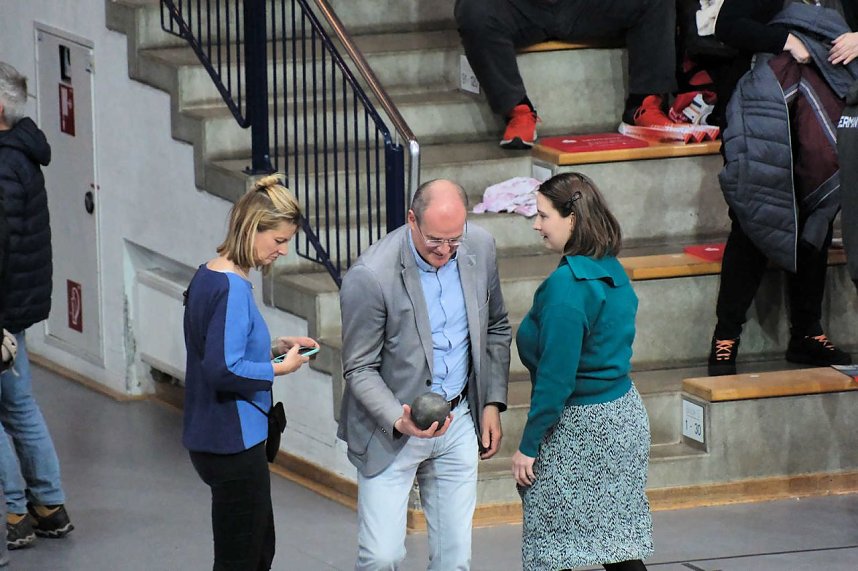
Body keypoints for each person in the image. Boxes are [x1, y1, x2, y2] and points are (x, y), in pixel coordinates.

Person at [337, 179, 511, 570]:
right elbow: (359, 367)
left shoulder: (480, 247)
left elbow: (497, 327)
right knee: (381, 557)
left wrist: (491, 403)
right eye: (435, 240)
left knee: (455, 558)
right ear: (411, 220)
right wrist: (398, 418)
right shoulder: (371, 275)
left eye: (454, 239)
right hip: (391, 428)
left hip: (459, 418)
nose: (445, 250)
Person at [512, 172, 653, 571]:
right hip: (623, 417)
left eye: (543, 216)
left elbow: (556, 380)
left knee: (551, 551)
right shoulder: (610, 267)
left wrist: (528, 446)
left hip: (581, 428)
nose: (537, 225)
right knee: (616, 544)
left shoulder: (568, 287)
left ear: (571, 218)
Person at [707, 0, 856, 375]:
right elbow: (728, 25)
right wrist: (787, 40)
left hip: (827, 113)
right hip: (762, 111)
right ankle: (726, 334)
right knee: (753, 213)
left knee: (817, 217)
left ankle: (807, 332)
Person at [182, 174, 318, 570]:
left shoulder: (208, 275)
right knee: (242, 559)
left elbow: (221, 347)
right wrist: (279, 368)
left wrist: (273, 348)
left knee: (257, 550)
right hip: (232, 442)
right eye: (278, 240)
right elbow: (224, 368)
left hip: (216, 436)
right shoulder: (232, 289)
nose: (283, 250)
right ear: (252, 227)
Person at [0, 61, 73, 550]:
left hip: (2, 310)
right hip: (15, 308)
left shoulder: (3, 164)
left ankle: (15, 512)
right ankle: (48, 504)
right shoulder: (22, 152)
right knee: (18, 404)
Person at [454, 0, 679, 149]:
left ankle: (644, 104)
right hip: (519, 7)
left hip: (582, 6)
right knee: (473, 10)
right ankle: (518, 110)